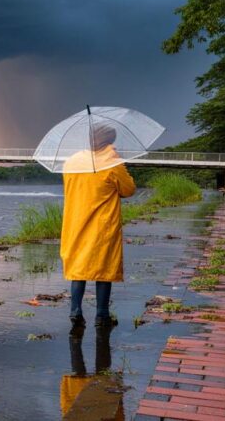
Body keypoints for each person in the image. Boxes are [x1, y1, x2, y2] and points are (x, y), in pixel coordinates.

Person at [60, 124, 136, 329]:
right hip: (102, 224)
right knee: (104, 266)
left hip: (75, 221)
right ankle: (102, 315)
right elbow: (128, 190)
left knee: (79, 267)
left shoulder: (72, 162)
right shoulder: (112, 163)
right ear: (109, 141)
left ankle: (75, 310)